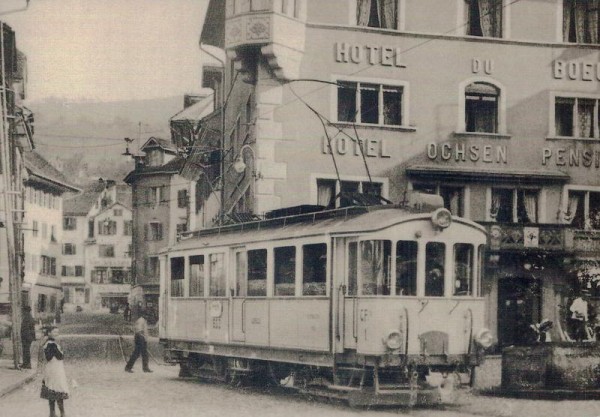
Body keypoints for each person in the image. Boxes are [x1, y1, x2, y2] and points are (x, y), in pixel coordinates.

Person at [40, 326, 69, 417]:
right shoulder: (51, 344)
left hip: (51, 369)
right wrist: (58, 350)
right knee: (58, 389)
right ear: (49, 333)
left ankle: (52, 413)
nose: (57, 334)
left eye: (57, 332)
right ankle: (62, 413)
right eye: (54, 332)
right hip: (55, 370)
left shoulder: (49, 343)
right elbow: (57, 356)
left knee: (51, 389)